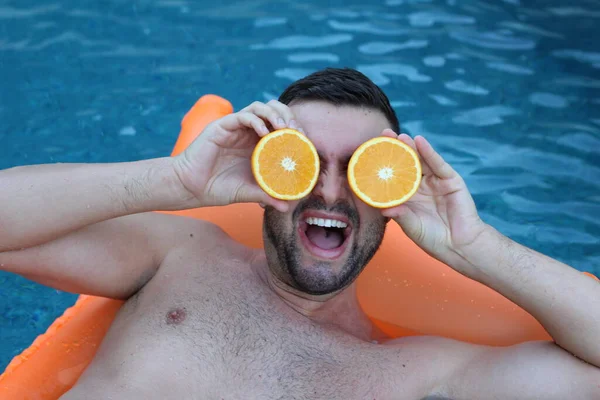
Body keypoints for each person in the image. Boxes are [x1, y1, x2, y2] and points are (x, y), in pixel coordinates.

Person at [0, 67, 598, 400]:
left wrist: (476, 247)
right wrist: (177, 181)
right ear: (267, 170)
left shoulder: (423, 373)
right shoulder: (181, 256)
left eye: (361, 169)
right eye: (304, 162)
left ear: (394, 194)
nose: (331, 192)